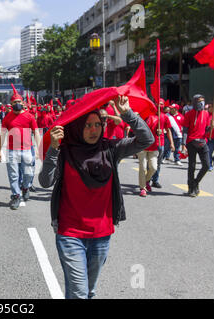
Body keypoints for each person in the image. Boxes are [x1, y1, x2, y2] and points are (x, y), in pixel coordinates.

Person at [39, 96, 154, 299]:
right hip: (70, 233)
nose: (94, 130)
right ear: (76, 127)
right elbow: (45, 182)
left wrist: (127, 114)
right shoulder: (65, 151)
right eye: (87, 126)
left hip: (101, 235)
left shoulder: (110, 148)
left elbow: (146, 140)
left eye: (97, 125)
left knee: (89, 291)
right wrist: (53, 149)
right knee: (79, 293)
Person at [0, 87, 41, 210]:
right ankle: (15, 195)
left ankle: (26, 187)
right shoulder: (7, 118)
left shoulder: (29, 117)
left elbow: (36, 133)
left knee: (28, 173)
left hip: (27, 150)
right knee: (13, 175)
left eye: (19, 102)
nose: (17, 104)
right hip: (12, 151)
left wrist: (39, 149)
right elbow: (2, 134)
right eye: (14, 102)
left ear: (23, 103)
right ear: (11, 104)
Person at [182, 94, 212, 197]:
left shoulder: (207, 114)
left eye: (203, 101)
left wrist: (211, 127)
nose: (201, 103)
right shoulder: (188, 114)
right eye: (199, 101)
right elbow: (185, 130)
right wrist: (183, 144)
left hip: (203, 142)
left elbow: (207, 129)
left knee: (207, 165)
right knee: (192, 166)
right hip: (191, 142)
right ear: (194, 102)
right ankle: (191, 188)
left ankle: (195, 182)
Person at [150, 99, 174, 189]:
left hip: (161, 143)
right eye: (159, 103)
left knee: (158, 164)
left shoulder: (165, 117)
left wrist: (172, 143)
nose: (160, 105)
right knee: (150, 164)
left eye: (162, 104)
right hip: (151, 143)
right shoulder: (150, 115)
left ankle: (155, 180)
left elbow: (168, 130)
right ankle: (147, 180)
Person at [207, 103, 214, 171]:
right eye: (210, 107)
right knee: (209, 152)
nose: (211, 108)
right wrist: (209, 126)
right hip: (210, 138)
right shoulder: (206, 115)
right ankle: (209, 165)